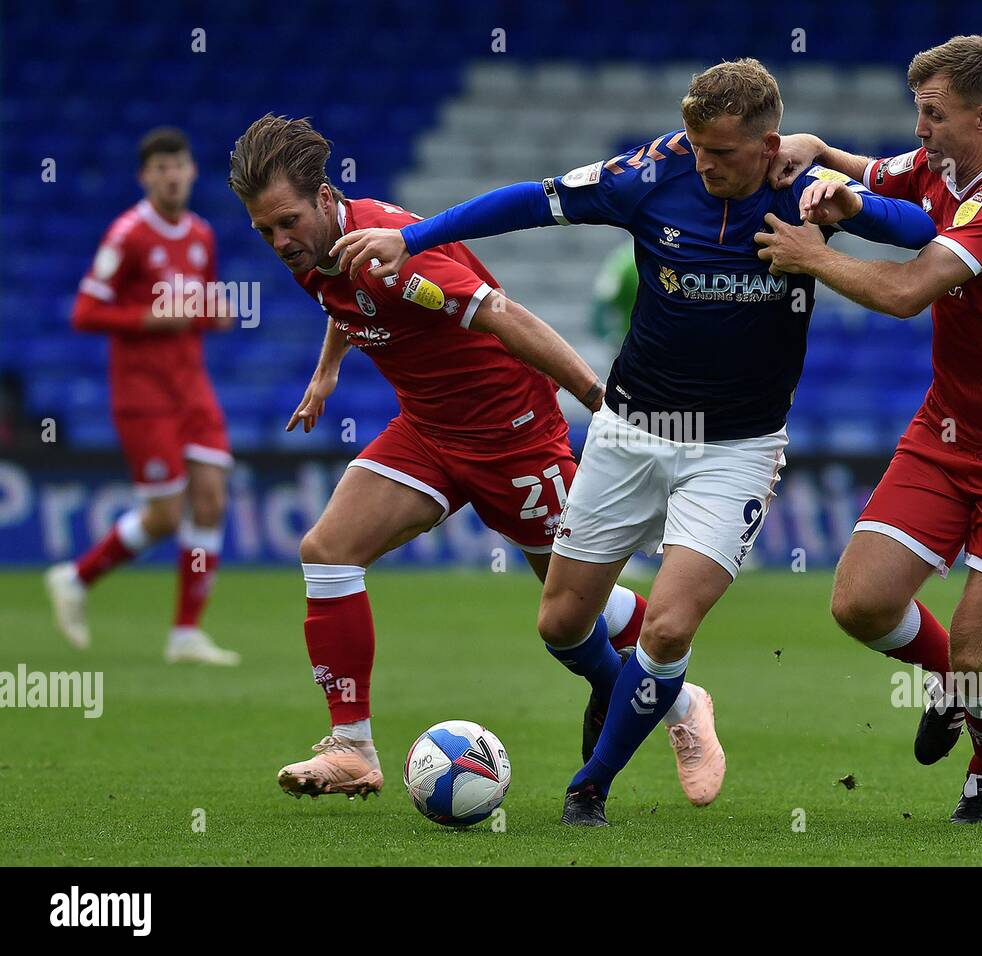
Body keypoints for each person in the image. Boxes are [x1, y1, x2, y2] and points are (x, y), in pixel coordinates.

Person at [332, 59, 935, 825]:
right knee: (560, 624)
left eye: (720, 152)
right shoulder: (651, 173)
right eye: (696, 146)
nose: (703, 163)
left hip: (737, 448)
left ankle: (592, 784)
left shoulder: (801, 191)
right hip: (630, 432)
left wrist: (849, 199)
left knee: (669, 625)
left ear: (768, 144)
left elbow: (921, 231)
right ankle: (680, 700)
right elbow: (530, 201)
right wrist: (412, 238)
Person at [228, 114, 715, 803]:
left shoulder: (398, 257)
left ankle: (684, 702)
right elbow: (343, 301)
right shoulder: (314, 251)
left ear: (327, 199)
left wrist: (596, 399)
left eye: (286, 222)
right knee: (328, 550)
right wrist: (326, 373)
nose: (278, 241)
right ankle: (352, 748)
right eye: (264, 231)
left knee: (574, 613)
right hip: (428, 430)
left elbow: (505, 315)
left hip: (512, 434)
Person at [758, 35, 982, 823]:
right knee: (860, 605)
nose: (921, 130)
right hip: (949, 431)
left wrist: (815, 255)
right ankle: (966, 690)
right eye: (918, 112)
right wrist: (821, 157)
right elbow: (880, 181)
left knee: (979, 656)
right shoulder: (950, 164)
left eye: (933, 115)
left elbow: (911, 290)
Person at [47, 127, 238, 666]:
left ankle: (185, 634)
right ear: (145, 177)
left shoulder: (201, 234)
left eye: (178, 165)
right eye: (160, 168)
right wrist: (148, 318)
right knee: (162, 516)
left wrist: (214, 314)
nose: (171, 175)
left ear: (192, 172)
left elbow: (200, 304)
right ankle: (76, 576)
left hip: (192, 387)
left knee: (212, 499)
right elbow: (85, 312)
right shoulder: (127, 234)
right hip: (142, 392)